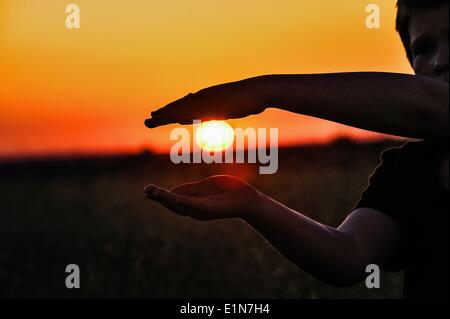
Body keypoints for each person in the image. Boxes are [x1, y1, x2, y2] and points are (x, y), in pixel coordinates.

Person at [144, 0, 449, 299]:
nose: (441, 60)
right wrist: (253, 205)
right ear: (409, 62)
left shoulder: (430, 110)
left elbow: (430, 108)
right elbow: (350, 257)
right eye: (424, 48)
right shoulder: (409, 170)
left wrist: (260, 93)